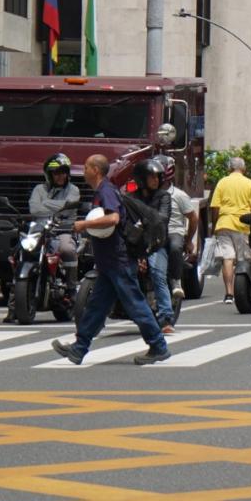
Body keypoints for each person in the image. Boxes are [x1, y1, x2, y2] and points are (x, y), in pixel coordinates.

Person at [52, 154, 169, 365]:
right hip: (108, 261)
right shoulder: (103, 190)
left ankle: (158, 345)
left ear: (96, 170)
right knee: (96, 307)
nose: (84, 170)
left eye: (86, 167)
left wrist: (84, 225)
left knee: (135, 304)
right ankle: (79, 349)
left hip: (118, 260)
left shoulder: (106, 191)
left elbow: (113, 218)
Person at [4, 153, 81, 324]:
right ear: (49, 174)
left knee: (67, 249)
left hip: (62, 229)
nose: (60, 176)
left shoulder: (73, 190)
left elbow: (67, 210)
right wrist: (57, 206)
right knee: (18, 254)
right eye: (56, 172)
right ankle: (13, 305)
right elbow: (34, 209)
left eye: (63, 172)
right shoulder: (39, 189)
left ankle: (71, 290)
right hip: (39, 229)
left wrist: (46, 204)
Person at [130, 158, 175, 332]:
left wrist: (144, 220)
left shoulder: (164, 196)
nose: (156, 180)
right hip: (135, 242)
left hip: (156, 242)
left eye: (157, 176)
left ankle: (166, 317)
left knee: (157, 273)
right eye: (151, 177)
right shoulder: (131, 197)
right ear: (141, 179)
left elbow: (162, 218)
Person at [209, 156, 251, 304]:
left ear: (229, 168)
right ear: (243, 168)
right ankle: (244, 290)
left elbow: (215, 207)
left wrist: (215, 224)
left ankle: (229, 293)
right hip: (242, 225)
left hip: (224, 224)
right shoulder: (250, 183)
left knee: (228, 258)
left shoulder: (222, 182)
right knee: (244, 259)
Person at [156, 155, 197, 302]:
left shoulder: (179, 195)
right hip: (153, 233)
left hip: (174, 232)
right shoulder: (146, 194)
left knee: (174, 247)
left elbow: (193, 218)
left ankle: (175, 280)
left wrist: (189, 240)